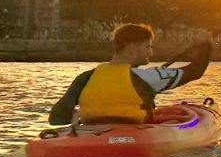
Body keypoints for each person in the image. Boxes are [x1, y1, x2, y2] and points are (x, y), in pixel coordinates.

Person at [48, 24, 211, 126]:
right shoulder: (147, 77)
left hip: (91, 134)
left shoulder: (86, 77)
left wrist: (87, 114)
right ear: (133, 48)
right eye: (147, 47)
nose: (151, 52)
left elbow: (57, 118)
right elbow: (195, 71)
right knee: (174, 122)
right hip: (132, 137)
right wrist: (207, 45)